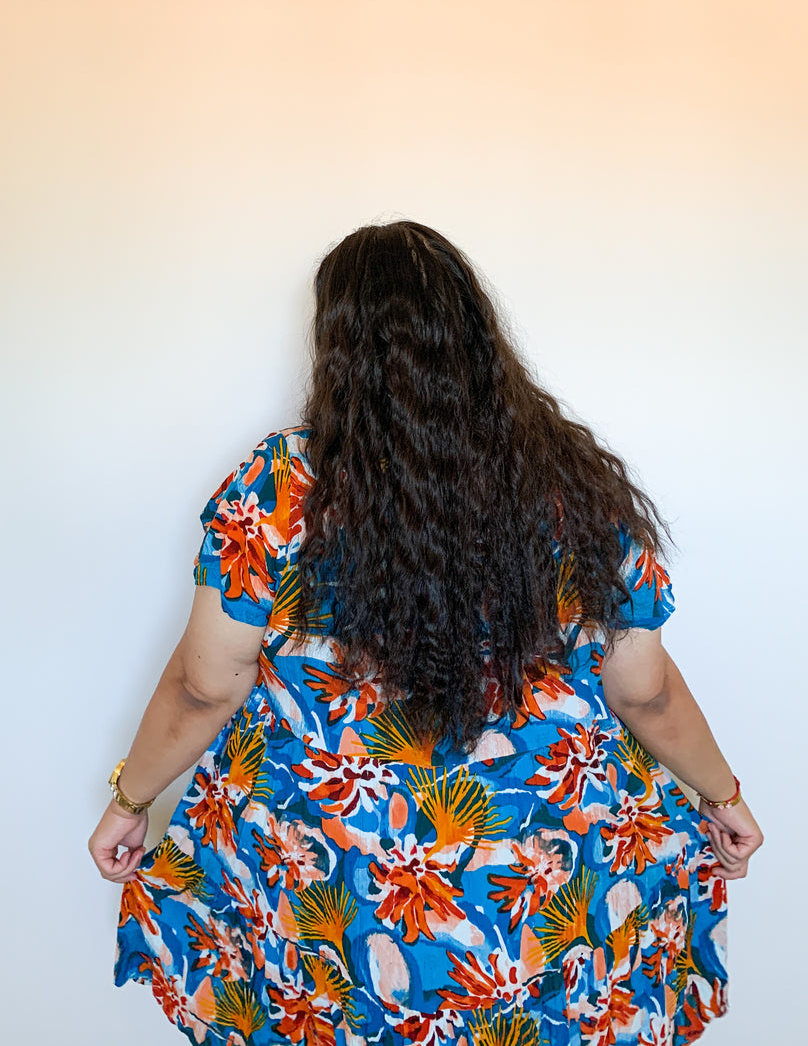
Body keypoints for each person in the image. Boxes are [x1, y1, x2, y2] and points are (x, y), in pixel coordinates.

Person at [88, 219, 762, 1046]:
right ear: (476, 334)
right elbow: (644, 689)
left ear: (339, 349)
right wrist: (722, 795)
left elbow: (206, 684)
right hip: (539, 879)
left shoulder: (282, 485)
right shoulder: (571, 483)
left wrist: (131, 798)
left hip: (341, 881)